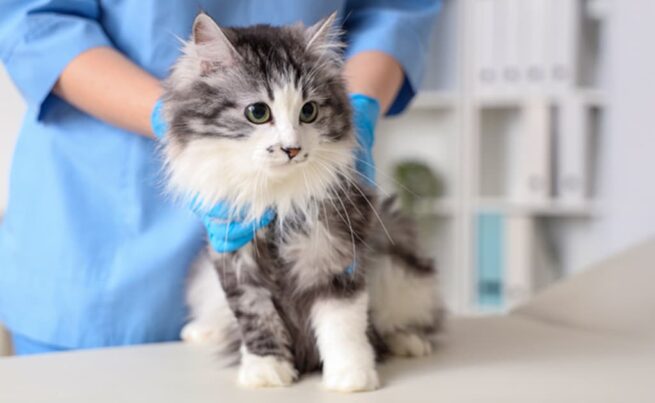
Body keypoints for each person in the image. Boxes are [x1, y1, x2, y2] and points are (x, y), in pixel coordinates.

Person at [0, 0, 440, 355]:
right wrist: (172, 117)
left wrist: (355, 106)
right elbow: (39, 23)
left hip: (306, 169)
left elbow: (395, 11)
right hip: (104, 238)